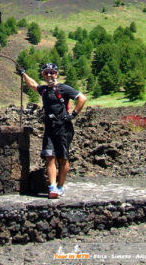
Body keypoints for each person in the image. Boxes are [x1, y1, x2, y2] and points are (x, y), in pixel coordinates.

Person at [19, 63, 87, 199]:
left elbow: (82, 98)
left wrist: (73, 115)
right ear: (43, 75)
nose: (49, 75)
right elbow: (32, 84)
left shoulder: (63, 88)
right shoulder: (43, 90)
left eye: (51, 72)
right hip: (49, 127)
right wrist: (23, 74)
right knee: (50, 157)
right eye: (46, 73)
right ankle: (52, 187)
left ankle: (60, 187)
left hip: (63, 128)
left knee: (62, 158)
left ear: (56, 74)